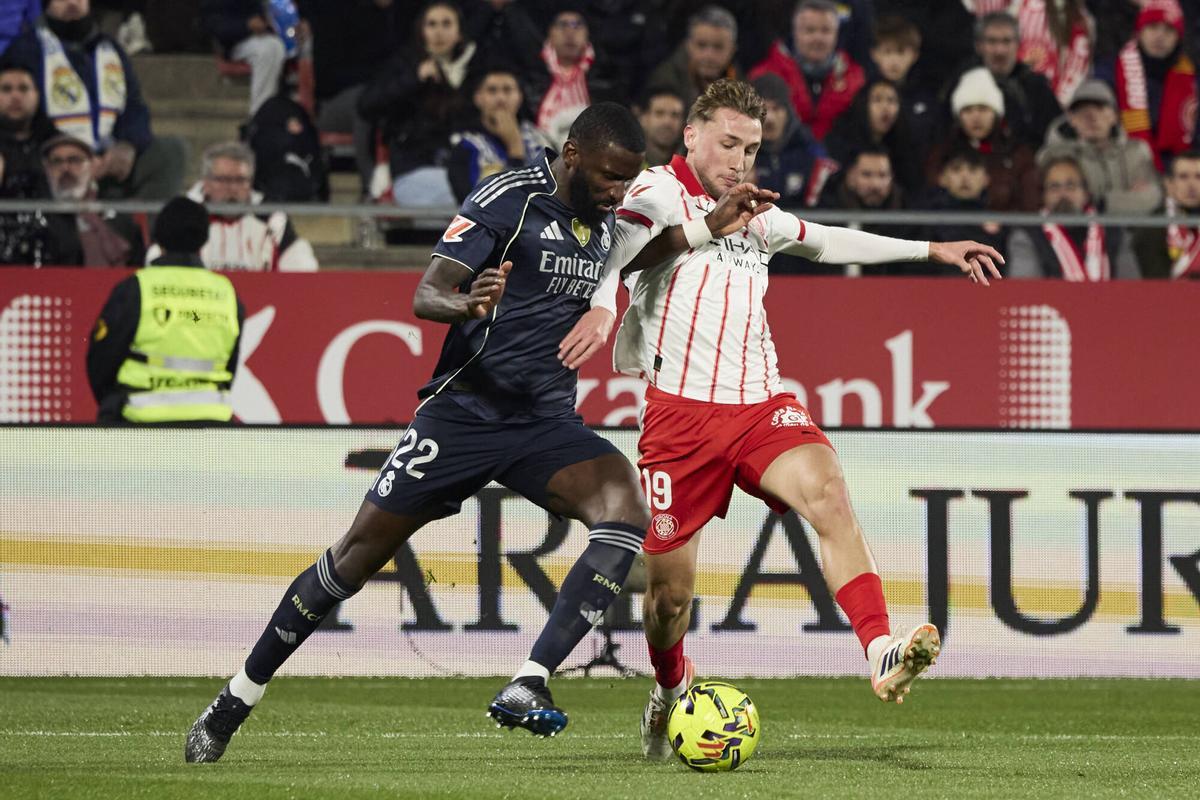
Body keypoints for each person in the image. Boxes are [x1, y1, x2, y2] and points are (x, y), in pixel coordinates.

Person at [184, 103, 653, 763]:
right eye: (607, 177)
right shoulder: (508, 198)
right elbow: (426, 292)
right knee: (353, 558)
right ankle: (235, 698)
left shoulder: (611, 220)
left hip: (545, 423)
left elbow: (659, 241)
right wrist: (465, 302)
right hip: (463, 413)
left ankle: (528, 681)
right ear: (572, 154)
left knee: (625, 510)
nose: (615, 192)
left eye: (625, 181)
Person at [576, 78, 1001, 760]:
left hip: (760, 405)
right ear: (692, 135)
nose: (737, 161)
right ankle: (668, 687)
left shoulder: (758, 216)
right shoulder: (656, 191)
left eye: (750, 148)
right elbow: (613, 253)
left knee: (827, 490)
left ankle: (881, 647)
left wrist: (931, 252)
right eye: (726, 143)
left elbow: (828, 240)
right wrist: (609, 299)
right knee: (666, 604)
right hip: (680, 420)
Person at [86, 196, 244, 423]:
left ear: (157, 237)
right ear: (204, 239)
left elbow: (101, 359)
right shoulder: (227, 293)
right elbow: (230, 365)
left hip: (141, 420)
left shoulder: (137, 287)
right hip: (210, 423)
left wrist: (112, 402)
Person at [5, 0, 184, 200]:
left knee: (170, 151)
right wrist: (73, 154)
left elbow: (134, 107)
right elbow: (22, 113)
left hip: (108, 159)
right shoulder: (26, 49)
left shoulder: (111, 48)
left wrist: (127, 145)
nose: (72, 2)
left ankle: (135, 226)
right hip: (52, 158)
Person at [358, 0, 477, 207]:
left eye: (446, 24)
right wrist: (416, 78)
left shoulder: (474, 71)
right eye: (432, 24)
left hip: (464, 168)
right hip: (414, 170)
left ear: (459, 33)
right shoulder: (405, 65)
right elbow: (367, 105)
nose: (439, 32)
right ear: (421, 30)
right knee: (477, 197)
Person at [145, 141, 316, 272]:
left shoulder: (272, 218)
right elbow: (158, 262)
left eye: (240, 180)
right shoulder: (182, 216)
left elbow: (301, 269)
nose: (233, 188)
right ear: (206, 182)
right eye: (224, 180)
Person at [1037, 78, 1162, 215]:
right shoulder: (1055, 156)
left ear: (1114, 116)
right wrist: (1127, 199)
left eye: (1100, 108)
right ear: (1072, 119)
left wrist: (1100, 203)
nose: (1091, 117)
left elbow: (1152, 198)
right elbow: (1061, 204)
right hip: (1078, 232)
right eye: (1082, 110)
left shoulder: (1136, 151)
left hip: (1134, 232)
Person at [1097, 0, 1196, 171]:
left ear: (1178, 38)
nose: (1159, 36)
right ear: (1139, 32)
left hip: (1181, 173)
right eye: (1152, 27)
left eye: (1168, 30)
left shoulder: (1192, 81)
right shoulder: (1110, 73)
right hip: (1123, 167)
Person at [1006, 155, 1140, 279]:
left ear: (1086, 193)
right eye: (1054, 187)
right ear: (1043, 196)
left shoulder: (1114, 232)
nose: (1063, 194)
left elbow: (1131, 289)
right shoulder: (1026, 236)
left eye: (1070, 186)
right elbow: (1026, 292)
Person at [926, 66, 1040, 212]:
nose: (976, 117)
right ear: (958, 117)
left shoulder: (1018, 154)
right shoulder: (942, 153)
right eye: (968, 110)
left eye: (983, 109)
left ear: (996, 114)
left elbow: (1030, 205)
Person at [749, 0, 865, 141]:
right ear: (795, 32)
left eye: (825, 30)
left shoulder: (856, 79)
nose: (818, 38)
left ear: (837, 34)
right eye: (810, 30)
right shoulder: (764, 76)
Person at [955, 12, 1062, 149]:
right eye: (992, 41)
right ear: (978, 46)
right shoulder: (962, 82)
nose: (1000, 51)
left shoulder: (1037, 87)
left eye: (1006, 41)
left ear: (1018, 45)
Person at [447, 65, 550, 203]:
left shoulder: (539, 140)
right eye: (492, 91)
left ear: (519, 97)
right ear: (478, 98)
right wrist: (515, 151)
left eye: (507, 90)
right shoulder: (465, 146)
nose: (501, 98)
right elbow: (473, 204)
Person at [42, 132, 145, 266]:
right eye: (57, 161)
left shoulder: (119, 219)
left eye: (74, 160)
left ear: (92, 166)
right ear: (47, 169)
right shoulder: (37, 219)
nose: (65, 168)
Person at [524, 7, 613, 148]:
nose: (570, 32)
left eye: (577, 25)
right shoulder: (531, 75)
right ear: (550, 33)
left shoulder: (605, 78)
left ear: (587, 34)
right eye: (562, 25)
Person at [825, 77, 923, 196]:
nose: (886, 108)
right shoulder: (839, 142)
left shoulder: (905, 145)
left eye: (892, 101)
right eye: (877, 100)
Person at [749, 72, 829, 207]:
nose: (769, 119)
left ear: (788, 113)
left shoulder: (811, 152)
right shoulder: (738, 155)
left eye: (776, 108)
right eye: (762, 110)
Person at [200, 0, 289, 117]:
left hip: (259, 39)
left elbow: (260, 16)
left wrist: (264, 24)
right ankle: (259, 114)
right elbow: (214, 26)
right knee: (267, 50)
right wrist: (246, 25)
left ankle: (268, 112)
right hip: (232, 44)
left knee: (276, 46)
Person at [922, 146, 1006, 270]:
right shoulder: (926, 222)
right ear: (942, 178)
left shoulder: (999, 224)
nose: (965, 177)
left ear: (986, 179)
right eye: (956, 170)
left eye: (972, 170)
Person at [646, 5, 740, 111]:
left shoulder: (743, 85)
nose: (709, 56)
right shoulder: (664, 82)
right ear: (688, 46)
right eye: (701, 45)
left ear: (732, 50)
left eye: (718, 47)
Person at [868, 15, 938, 149]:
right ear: (874, 54)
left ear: (914, 56)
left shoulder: (926, 97)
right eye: (887, 52)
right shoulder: (862, 95)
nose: (894, 61)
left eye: (901, 52)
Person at [1131, 149, 1200, 278]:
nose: (1192, 185)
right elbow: (1156, 285)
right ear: (1169, 184)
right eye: (1183, 177)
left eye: (1198, 177)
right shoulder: (1151, 228)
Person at [1012, 0, 1094, 106]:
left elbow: (1077, 66)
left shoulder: (1079, 18)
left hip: (1058, 97)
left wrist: (1059, 103)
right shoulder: (1020, 6)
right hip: (1019, 94)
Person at [636, 86, 685, 168]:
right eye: (659, 113)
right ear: (643, 118)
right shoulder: (630, 165)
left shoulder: (690, 166)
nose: (667, 122)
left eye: (675, 115)